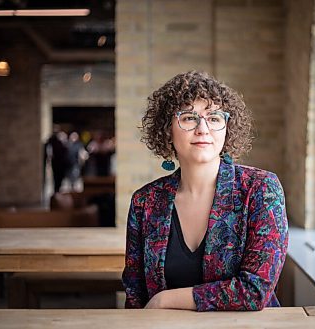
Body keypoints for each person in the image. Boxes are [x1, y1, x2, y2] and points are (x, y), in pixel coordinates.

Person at [122, 71, 289, 311]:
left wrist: (165, 300)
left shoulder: (261, 189)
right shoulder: (145, 202)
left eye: (214, 118)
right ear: (167, 129)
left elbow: (255, 290)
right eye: (189, 118)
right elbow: (135, 292)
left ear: (226, 128)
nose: (203, 128)